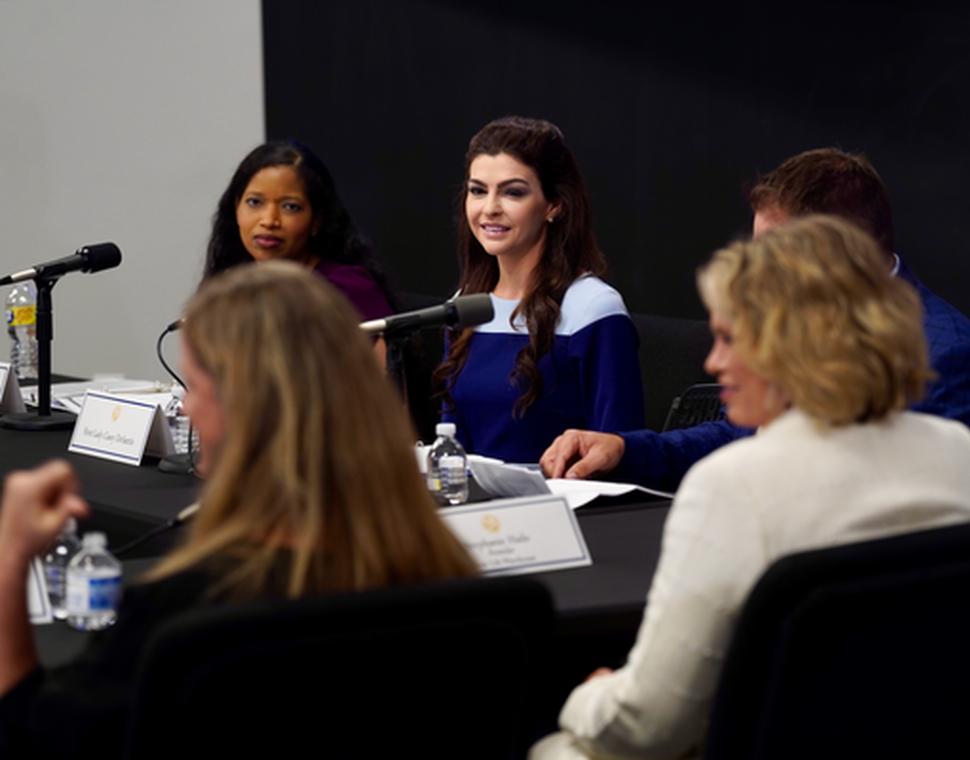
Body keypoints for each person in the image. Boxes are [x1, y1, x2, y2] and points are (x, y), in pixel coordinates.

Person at [530, 216, 970, 760]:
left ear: (794, 347)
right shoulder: (954, 451)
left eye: (729, 339)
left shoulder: (735, 486)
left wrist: (584, 696)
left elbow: (645, 727)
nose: (711, 361)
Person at [0, 262, 477, 755]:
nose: (184, 409)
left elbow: (30, 740)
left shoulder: (185, 616)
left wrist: (11, 559)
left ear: (244, 410)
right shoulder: (454, 581)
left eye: (195, 387)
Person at [541, 148, 970, 516]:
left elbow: (957, 548)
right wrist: (626, 449)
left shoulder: (946, 359)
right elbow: (742, 436)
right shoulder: (802, 319)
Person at [435, 116, 644, 462]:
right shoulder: (464, 306)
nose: (490, 208)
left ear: (554, 205)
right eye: (477, 191)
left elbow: (619, 448)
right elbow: (451, 448)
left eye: (513, 192)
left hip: (568, 511)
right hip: (475, 512)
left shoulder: (592, 307)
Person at [201, 141, 399, 364]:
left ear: (316, 220)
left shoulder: (345, 290)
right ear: (237, 208)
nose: (269, 220)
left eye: (290, 207)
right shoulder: (230, 287)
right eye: (255, 202)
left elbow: (390, 396)